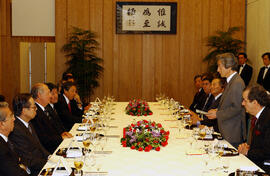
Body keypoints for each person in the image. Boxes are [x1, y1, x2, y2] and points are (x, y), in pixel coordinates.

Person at [207, 53, 246, 148]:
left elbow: (237, 108)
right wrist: (217, 110)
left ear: (229, 67)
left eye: (220, 66)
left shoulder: (237, 82)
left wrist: (217, 114)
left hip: (233, 132)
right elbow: (229, 104)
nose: (217, 70)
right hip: (227, 130)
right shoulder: (230, 81)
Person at [9, 93, 50, 176]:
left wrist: (49, 156)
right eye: (34, 107)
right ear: (24, 110)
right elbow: (27, 158)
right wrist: (48, 164)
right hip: (33, 170)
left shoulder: (28, 122)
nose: (36, 109)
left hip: (41, 163)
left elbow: (39, 145)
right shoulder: (16, 129)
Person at [238, 85, 270, 173]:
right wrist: (248, 147)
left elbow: (267, 151)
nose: (242, 103)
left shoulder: (267, 119)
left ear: (255, 102)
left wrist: (248, 151)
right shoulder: (259, 116)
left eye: (245, 100)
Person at [31, 83, 64, 154]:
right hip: (48, 150)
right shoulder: (35, 112)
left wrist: (63, 133)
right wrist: (61, 138)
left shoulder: (46, 108)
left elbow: (56, 125)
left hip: (56, 143)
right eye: (48, 93)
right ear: (39, 95)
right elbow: (43, 138)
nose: (50, 96)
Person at [0, 102, 28, 176]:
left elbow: (19, 158)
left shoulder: (6, 139)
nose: (14, 118)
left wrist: (22, 166)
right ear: (2, 124)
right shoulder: (1, 149)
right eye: (11, 116)